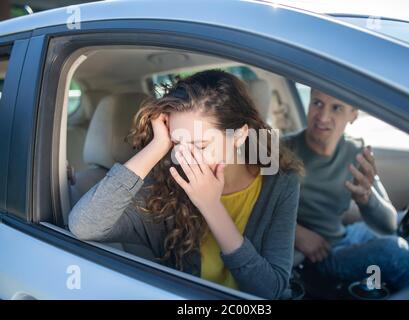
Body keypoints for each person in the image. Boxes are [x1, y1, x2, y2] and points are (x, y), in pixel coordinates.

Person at [69, 70, 303, 299]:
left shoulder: (280, 184)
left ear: (239, 136)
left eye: (200, 145)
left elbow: (271, 291)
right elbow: (85, 226)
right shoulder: (165, 185)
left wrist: (212, 207)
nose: (183, 158)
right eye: (177, 142)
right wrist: (158, 145)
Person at [284, 89, 409, 292]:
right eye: (317, 103)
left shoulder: (356, 152)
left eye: (336, 107)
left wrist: (367, 199)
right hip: (317, 256)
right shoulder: (282, 151)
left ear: (353, 114)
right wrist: (296, 233)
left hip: (345, 234)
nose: (323, 116)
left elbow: (389, 225)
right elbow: (253, 209)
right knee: (395, 252)